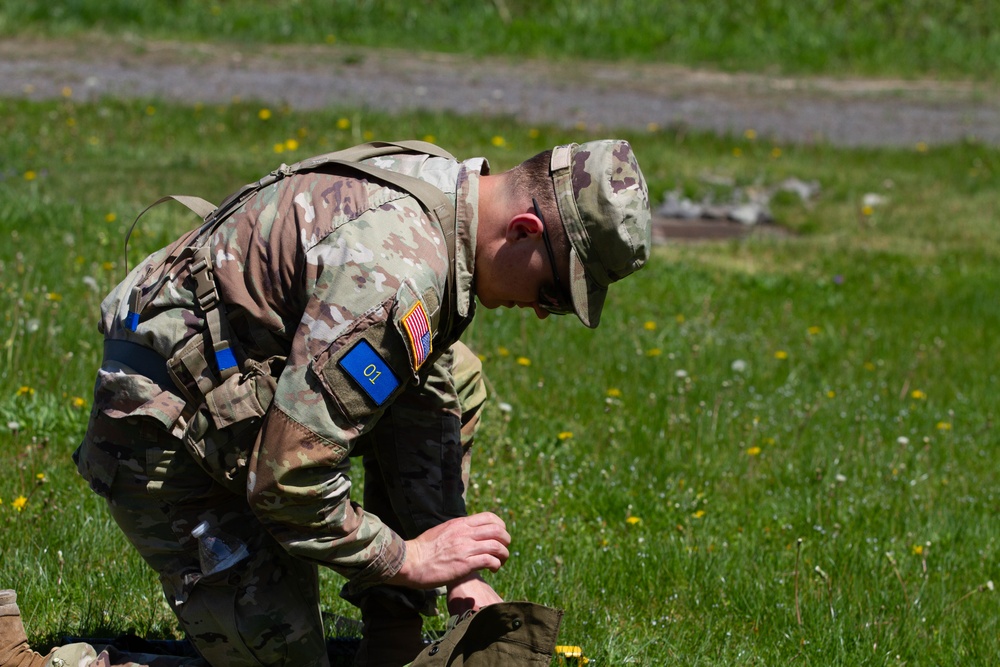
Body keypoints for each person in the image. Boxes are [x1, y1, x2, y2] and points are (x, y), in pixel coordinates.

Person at [66, 138, 650, 667]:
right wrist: (408, 559)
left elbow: (428, 395)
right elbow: (289, 483)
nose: (547, 309)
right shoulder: (396, 274)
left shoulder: (445, 198)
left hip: (242, 400)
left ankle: (390, 646)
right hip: (163, 430)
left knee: (456, 374)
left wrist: (454, 568)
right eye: (555, 288)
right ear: (523, 230)